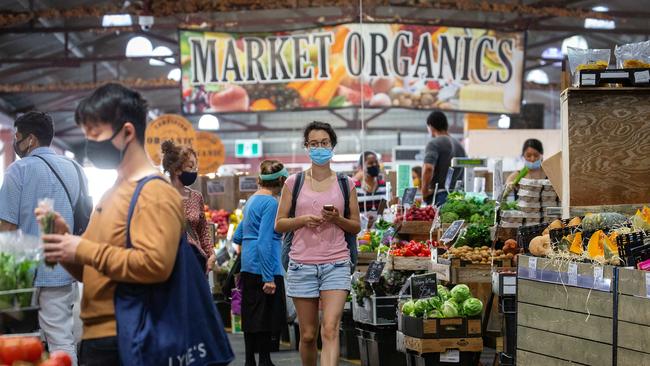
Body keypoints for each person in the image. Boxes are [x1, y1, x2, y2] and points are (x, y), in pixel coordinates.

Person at [37, 83, 184, 365]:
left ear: (127, 132)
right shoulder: (111, 192)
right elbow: (92, 273)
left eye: (95, 133)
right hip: (101, 339)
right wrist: (65, 245)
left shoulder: (154, 192)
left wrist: (81, 248)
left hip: (129, 337)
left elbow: (155, 265)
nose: (89, 143)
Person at [0, 111, 85, 365]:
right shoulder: (76, 169)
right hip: (63, 266)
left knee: (21, 340)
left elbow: (5, 226)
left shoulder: (18, 170)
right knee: (61, 338)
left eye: (18, 137)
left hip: (23, 274)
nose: (16, 143)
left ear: (31, 140)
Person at [275, 121, 361, 366]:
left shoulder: (346, 184)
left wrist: (337, 219)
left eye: (324, 143)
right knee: (309, 335)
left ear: (332, 146)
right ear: (306, 147)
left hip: (337, 264)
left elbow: (355, 226)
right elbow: (279, 224)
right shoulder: (293, 183)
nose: (320, 147)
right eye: (314, 144)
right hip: (302, 265)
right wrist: (302, 220)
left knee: (330, 329)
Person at [233, 160, 288, 366]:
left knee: (251, 315)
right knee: (267, 317)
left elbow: (238, 235)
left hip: (249, 265)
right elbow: (264, 241)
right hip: (266, 266)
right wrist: (268, 277)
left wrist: (246, 244)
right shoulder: (272, 203)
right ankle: (265, 360)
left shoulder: (252, 200)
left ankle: (250, 361)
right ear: (281, 180)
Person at [161, 140, 215, 272]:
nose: (194, 171)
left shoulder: (196, 197)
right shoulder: (160, 195)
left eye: (195, 167)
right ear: (177, 169)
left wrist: (211, 254)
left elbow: (203, 230)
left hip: (196, 262)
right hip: (170, 264)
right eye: (190, 167)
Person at [421, 110, 466, 206]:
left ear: (431, 126)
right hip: (459, 196)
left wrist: (424, 191)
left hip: (441, 196)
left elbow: (428, 168)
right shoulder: (459, 145)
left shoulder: (434, 143)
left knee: (440, 221)